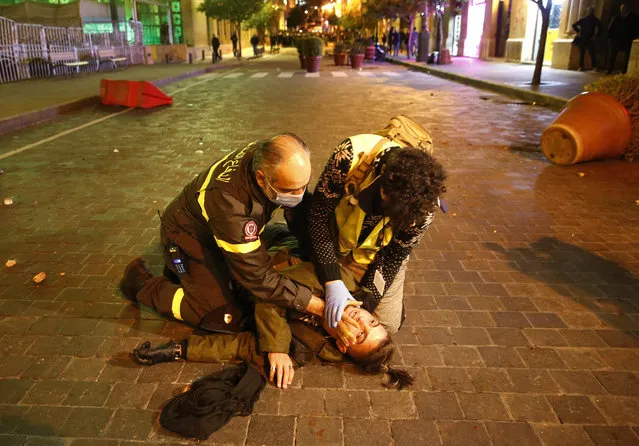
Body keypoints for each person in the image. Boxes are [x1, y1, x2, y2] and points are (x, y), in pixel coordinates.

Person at [119, 134, 339, 338]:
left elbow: (298, 209)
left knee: (283, 239)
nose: (299, 195)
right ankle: (144, 285)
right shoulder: (230, 204)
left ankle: (197, 275)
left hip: (225, 230)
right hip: (189, 238)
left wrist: (327, 265)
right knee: (220, 316)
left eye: (303, 186)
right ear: (261, 178)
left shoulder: (273, 154)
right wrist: (317, 306)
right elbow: (258, 276)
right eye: (291, 190)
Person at [131, 244, 414, 391]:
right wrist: (277, 343)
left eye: (361, 334)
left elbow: (241, 346)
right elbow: (272, 290)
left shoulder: (304, 348)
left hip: (244, 285)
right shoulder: (341, 281)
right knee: (198, 263)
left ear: (342, 345)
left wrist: (180, 350)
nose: (361, 320)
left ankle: (141, 285)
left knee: (210, 315)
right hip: (268, 254)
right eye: (372, 321)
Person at [303, 116, 447, 335]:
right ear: (382, 177)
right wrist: (332, 279)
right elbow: (318, 216)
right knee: (317, 297)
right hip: (335, 237)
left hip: (376, 254)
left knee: (386, 326)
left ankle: (383, 299)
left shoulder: (424, 209)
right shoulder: (350, 155)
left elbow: (393, 256)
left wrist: (366, 303)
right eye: (382, 202)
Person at [607, 3, 639, 74]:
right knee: (612, 56)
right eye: (622, 8)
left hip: (627, 40)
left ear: (628, 9)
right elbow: (610, 28)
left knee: (627, 57)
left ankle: (624, 71)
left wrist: (634, 37)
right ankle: (609, 70)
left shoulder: (633, 17)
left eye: (624, 8)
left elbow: (637, 28)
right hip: (616, 39)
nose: (623, 9)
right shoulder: (616, 17)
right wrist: (609, 37)